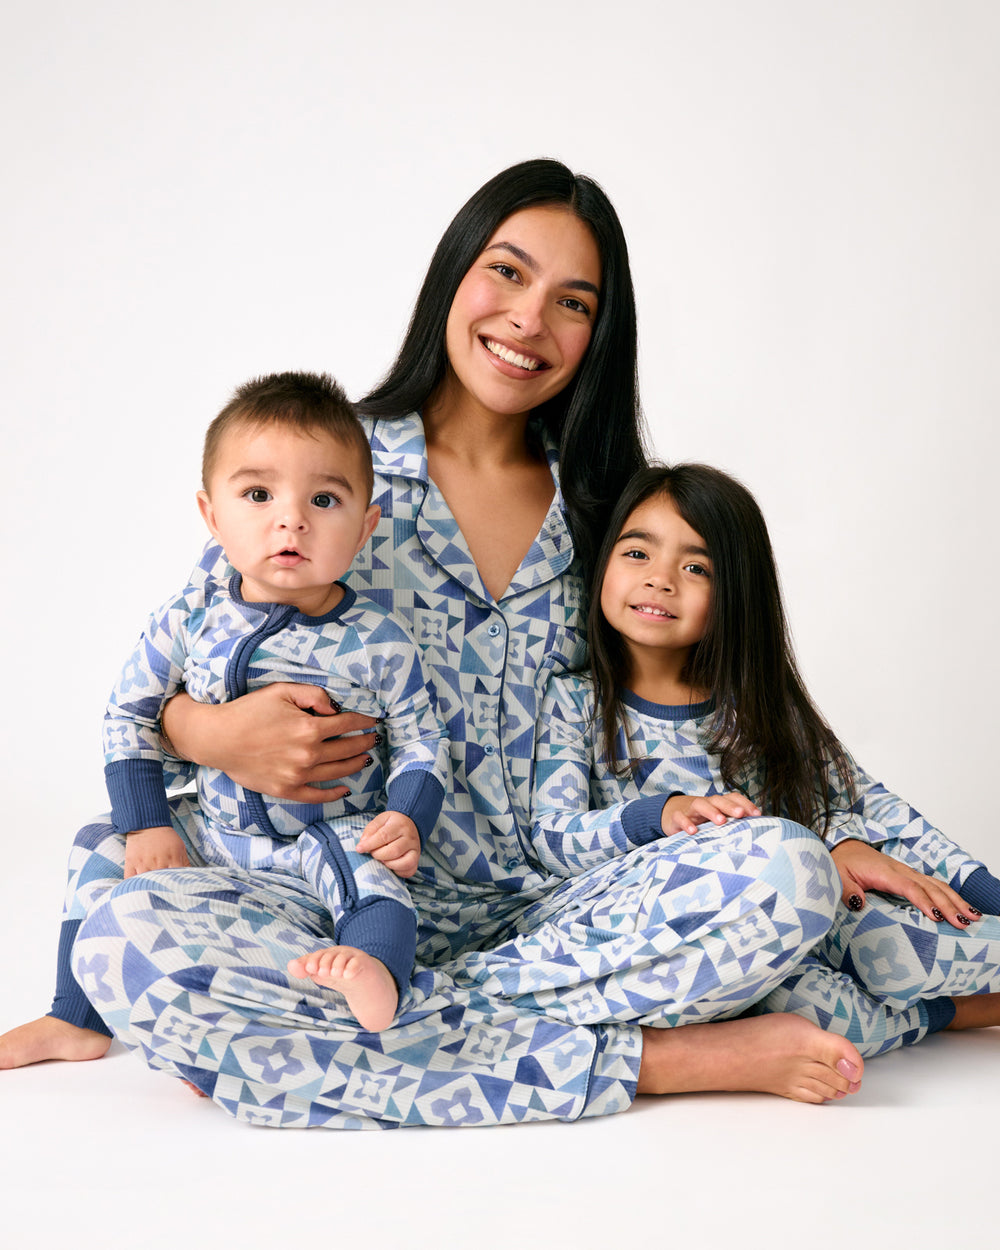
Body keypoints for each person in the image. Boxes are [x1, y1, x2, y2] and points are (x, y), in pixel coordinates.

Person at [2, 159, 861, 1119]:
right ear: (454, 274)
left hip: (553, 908)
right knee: (126, 932)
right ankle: (662, 1061)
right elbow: (181, 654)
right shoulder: (329, 469)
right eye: (507, 272)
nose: (529, 319)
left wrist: (831, 830)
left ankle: (366, 1030)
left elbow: (714, 702)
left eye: (572, 302)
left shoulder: (612, 515)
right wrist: (208, 734)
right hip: (335, 892)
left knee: (788, 876)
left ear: (599, 336)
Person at [527, 462, 1000, 1062]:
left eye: (696, 568)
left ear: (734, 597)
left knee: (893, 944)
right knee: (820, 1019)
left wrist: (850, 844)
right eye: (637, 553)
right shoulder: (574, 702)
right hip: (692, 935)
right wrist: (662, 814)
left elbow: (870, 805)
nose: (661, 581)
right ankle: (964, 1012)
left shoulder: (757, 708)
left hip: (806, 908)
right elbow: (552, 838)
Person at [33, 372, 451, 1040]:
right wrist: (148, 826)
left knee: (373, 876)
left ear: (366, 525)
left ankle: (373, 971)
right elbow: (128, 716)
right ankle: (75, 1019)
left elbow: (423, 741)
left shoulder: (379, 639)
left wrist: (407, 816)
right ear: (211, 516)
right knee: (98, 842)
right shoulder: (189, 617)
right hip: (213, 835)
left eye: (325, 499)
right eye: (258, 494)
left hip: (325, 838)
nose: (292, 519)